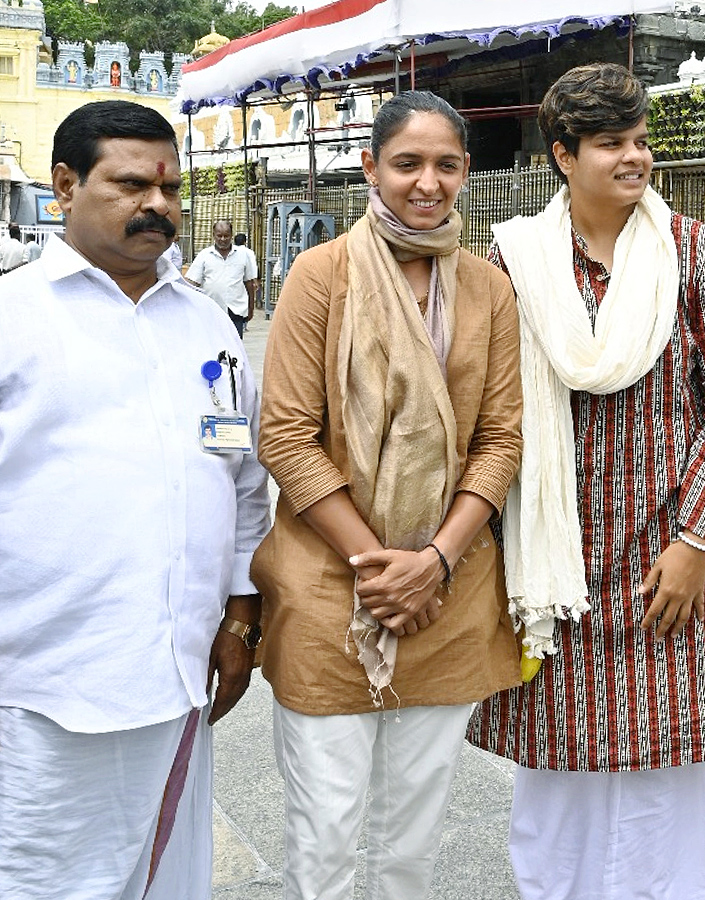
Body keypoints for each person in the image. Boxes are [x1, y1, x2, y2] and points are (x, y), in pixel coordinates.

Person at [469, 63, 705, 900]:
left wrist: (698, 541)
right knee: (556, 783)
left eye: (640, 141)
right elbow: (491, 404)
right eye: (610, 144)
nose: (634, 159)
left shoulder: (693, 252)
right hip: (552, 565)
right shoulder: (516, 259)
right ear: (564, 154)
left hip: (673, 558)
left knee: (669, 779)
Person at [249, 90, 523, 900]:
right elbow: (287, 437)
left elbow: (501, 439)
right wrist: (381, 565)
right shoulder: (320, 274)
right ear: (371, 167)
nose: (427, 182)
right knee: (325, 838)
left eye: (445, 165)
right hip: (332, 585)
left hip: (448, 589)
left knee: (411, 844)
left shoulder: (487, 289)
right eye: (407, 163)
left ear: (467, 172)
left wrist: (433, 562)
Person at [0, 100, 271, 900]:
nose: (158, 205)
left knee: (163, 877)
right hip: (44, 689)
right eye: (128, 185)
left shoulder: (209, 328)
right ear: (63, 186)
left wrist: (241, 616)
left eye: (170, 189)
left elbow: (243, 483)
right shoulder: (14, 319)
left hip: (179, 676)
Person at [187, 219, 258, 336]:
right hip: (211, 311)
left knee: (235, 347)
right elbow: (192, 283)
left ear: (232, 235)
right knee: (213, 347)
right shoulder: (204, 255)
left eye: (226, 236)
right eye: (219, 236)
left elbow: (249, 283)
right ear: (214, 235)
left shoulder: (243, 255)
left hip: (236, 310)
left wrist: (251, 308)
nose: (223, 239)